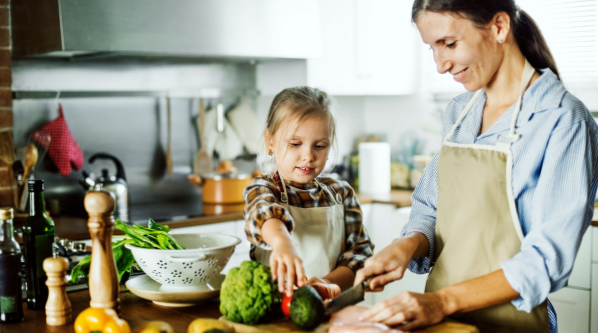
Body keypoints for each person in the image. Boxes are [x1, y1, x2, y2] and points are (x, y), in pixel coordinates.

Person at [353, 1, 598, 332]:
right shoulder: (459, 113)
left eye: (449, 44)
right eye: (432, 48)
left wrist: (442, 302)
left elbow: (544, 263)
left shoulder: (563, 119)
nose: (441, 65)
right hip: (444, 325)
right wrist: (405, 245)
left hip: (510, 325)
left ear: (498, 27)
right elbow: (429, 210)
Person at [243, 86, 374, 299]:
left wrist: (326, 285)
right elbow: (263, 212)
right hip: (275, 314)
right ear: (271, 143)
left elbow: (359, 257)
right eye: (295, 144)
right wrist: (282, 242)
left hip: (330, 310)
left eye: (320, 146)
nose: (308, 156)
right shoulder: (263, 188)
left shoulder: (341, 194)